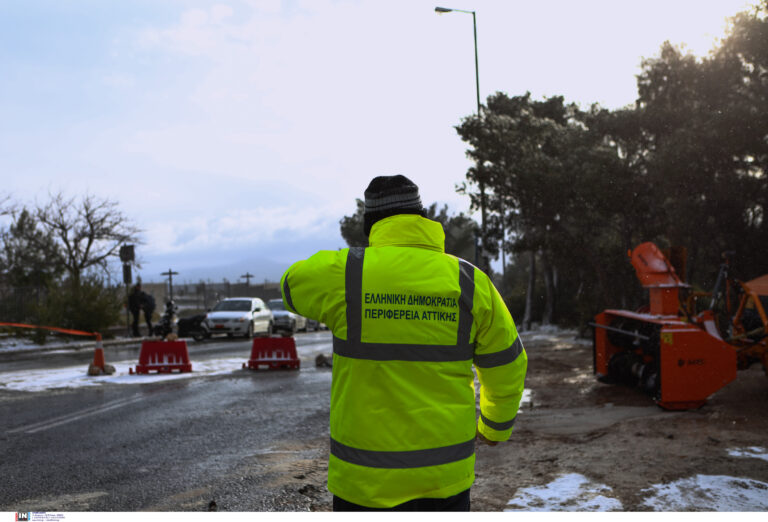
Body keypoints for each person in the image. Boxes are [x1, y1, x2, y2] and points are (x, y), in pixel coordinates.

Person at [280, 175, 528, 511]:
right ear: (422, 216)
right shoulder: (470, 281)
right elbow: (508, 363)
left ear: (370, 225)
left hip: (364, 484)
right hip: (444, 479)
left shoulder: (347, 274)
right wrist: (495, 426)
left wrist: (353, 262)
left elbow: (291, 287)